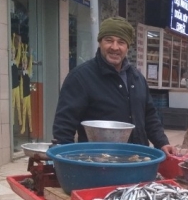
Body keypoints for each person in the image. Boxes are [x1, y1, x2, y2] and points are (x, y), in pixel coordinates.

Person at [52, 16, 175, 155]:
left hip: (138, 160)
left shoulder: (137, 78)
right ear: (100, 42)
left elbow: (150, 116)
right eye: (109, 40)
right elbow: (64, 125)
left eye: (121, 42)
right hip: (98, 164)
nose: (115, 47)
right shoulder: (80, 77)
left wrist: (162, 142)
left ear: (128, 47)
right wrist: (65, 158)